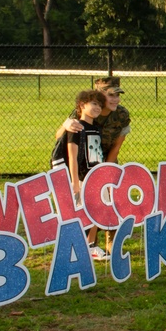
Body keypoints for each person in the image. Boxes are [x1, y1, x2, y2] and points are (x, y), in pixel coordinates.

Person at [55, 77, 132, 256]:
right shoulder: (86, 111)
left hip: (104, 161)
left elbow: (116, 147)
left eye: (118, 95)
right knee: (87, 203)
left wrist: (105, 172)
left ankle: (111, 240)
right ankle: (89, 243)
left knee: (111, 198)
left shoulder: (121, 114)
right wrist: (65, 125)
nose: (115, 99)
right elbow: (61, 137)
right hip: (83, 165)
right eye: (110, 95)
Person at [65, 89, 106, 257]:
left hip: (97, 177)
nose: (98, 108)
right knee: (82, 213)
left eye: (100, 105)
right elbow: (72, 156)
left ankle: (90, 246)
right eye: (94, 103)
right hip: (83, 178)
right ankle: (76, 247)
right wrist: (75, 182)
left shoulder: (96, 128)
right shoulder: (76, 127)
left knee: (98, 211)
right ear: (82, 105)